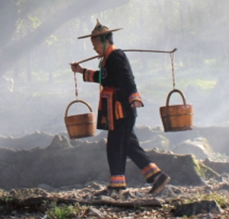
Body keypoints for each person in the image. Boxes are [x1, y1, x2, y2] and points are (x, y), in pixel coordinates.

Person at [70, 20, 171, 196]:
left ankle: (117, 186)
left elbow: (127, 78)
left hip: (122, 110)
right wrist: (81, 71)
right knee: (129, 146)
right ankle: (157, 176)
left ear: (105, 41)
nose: (94, 49)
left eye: (95, 44)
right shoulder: (108, 59)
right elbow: (105, 77)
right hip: (116, 111)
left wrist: (134, 97)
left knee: (115, 146)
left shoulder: (116, 56)